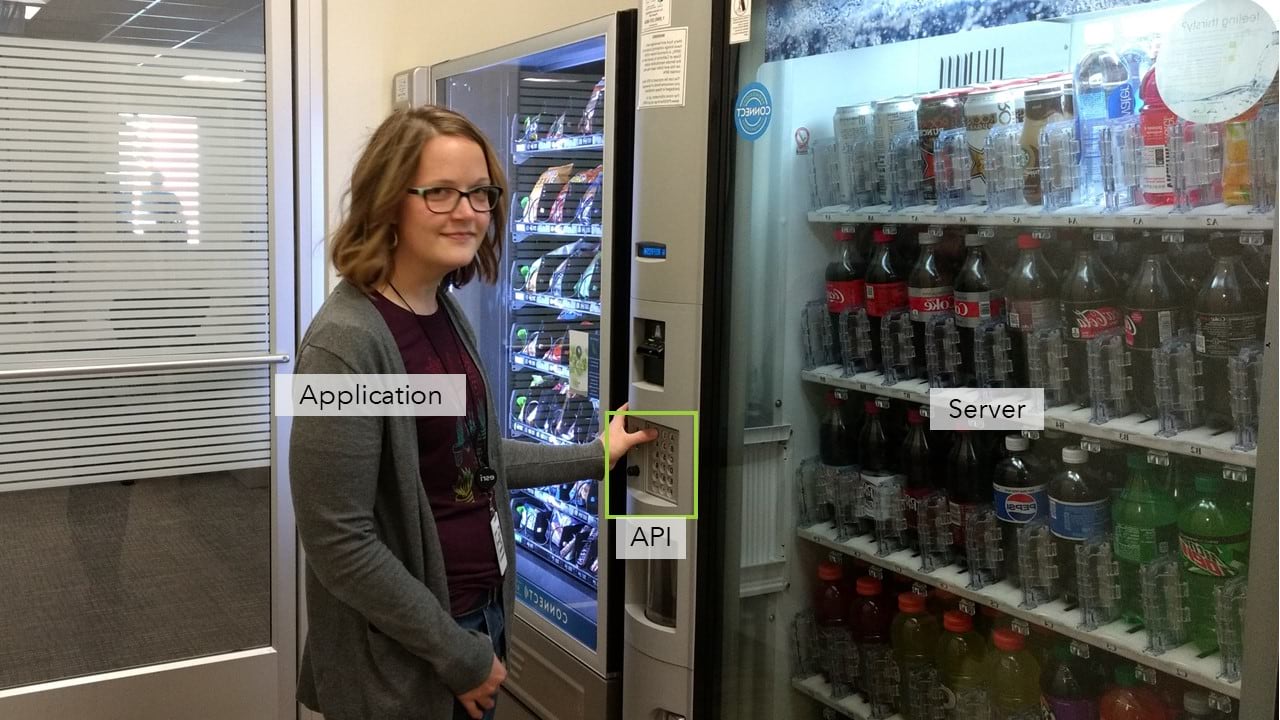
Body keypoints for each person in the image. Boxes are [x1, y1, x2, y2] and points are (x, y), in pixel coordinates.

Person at [289, 105, 655, 720]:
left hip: (473, 617)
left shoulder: (439, 311)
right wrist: (457, 653)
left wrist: (594, 455)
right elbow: (338, 541)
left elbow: (473, 455)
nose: (466, 211)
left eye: (480, 192)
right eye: (439, 193)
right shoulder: (343, 345)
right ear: (388, 202)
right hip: (404, 654)